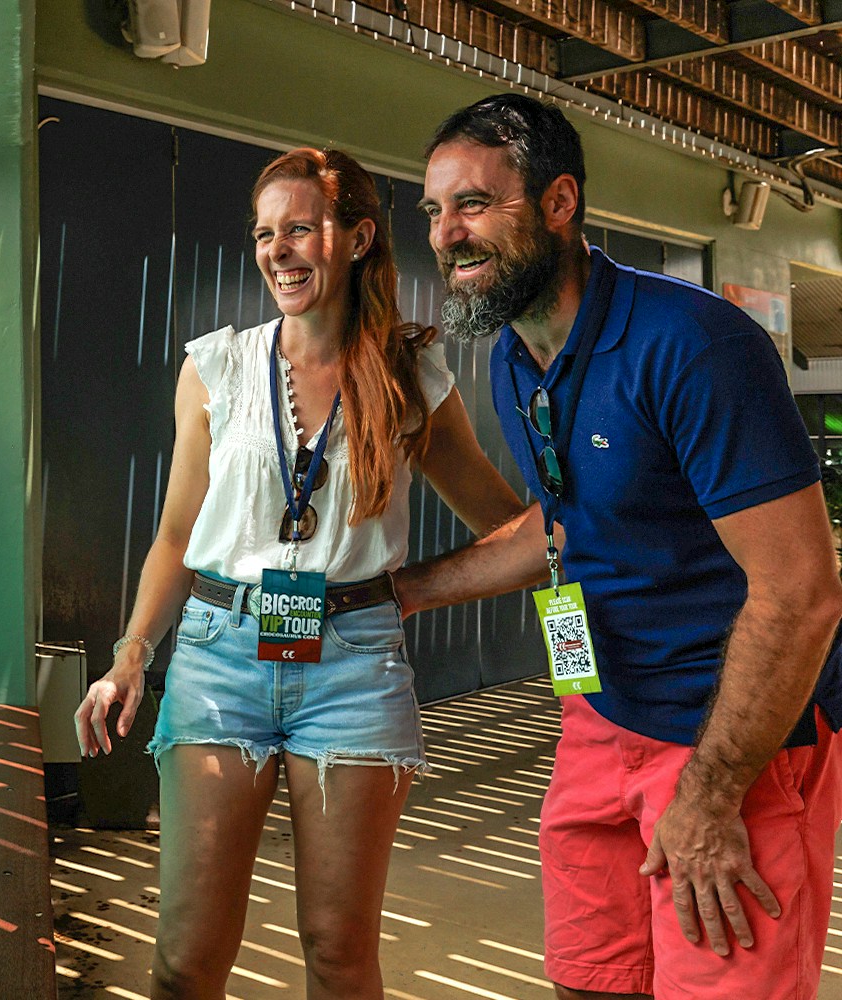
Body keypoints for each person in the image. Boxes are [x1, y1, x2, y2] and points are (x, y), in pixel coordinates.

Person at [398, 93, 842, 1000]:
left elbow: (803, 592)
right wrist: (395, 593)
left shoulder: (694, 346)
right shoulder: (516, 356)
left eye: (475, 203)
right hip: (601, 718)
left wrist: (712, 795)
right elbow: (566, 529)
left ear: (559, 203)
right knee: (591, 980)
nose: (447, 233)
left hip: (732, 739)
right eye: (436, 211)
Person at [74, 148, 525, 999]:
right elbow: (176, 533)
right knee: (184, 957)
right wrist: (132, 651)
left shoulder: (409, 373)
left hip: (355, 661)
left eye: (299, 229)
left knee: (338, 953)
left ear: (356, 239)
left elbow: (519, 532)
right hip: (217, 658)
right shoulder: (216, 367)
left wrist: (427, 590)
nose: (278, 249)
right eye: (264, 233)